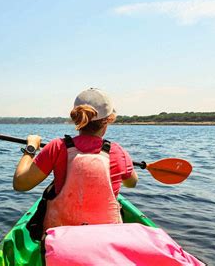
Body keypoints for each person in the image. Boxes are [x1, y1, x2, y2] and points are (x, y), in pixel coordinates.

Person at [13, 88, 138, 230]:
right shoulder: (119, 152)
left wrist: (31, 148)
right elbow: (131, 183)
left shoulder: (57, 147)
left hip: (61, 239)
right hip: (105, 240)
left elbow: (21, 184)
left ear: (76, 118)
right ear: (108, 120)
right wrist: (126, 164)